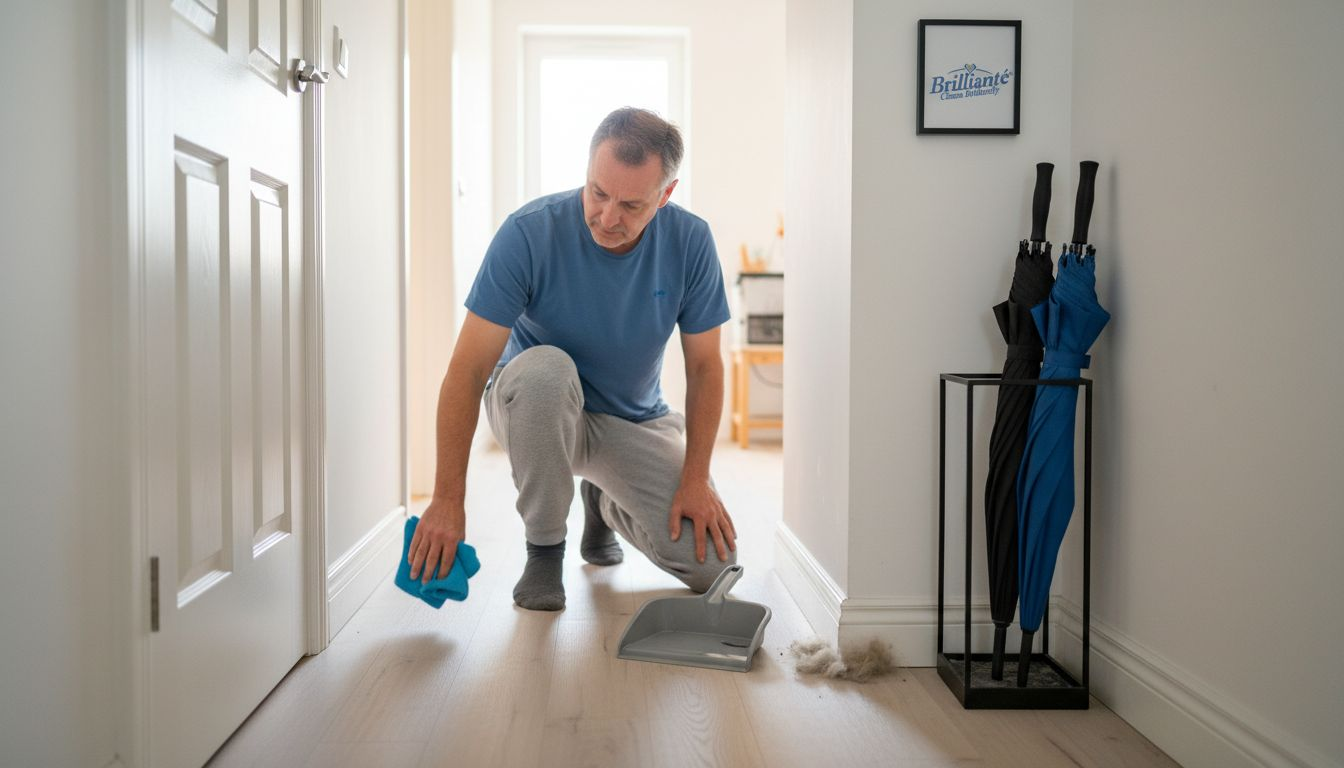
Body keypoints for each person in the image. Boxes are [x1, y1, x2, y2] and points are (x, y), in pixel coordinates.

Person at [406, 107, 738, 611]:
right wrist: (446, 499)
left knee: (714, 566)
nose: (607, 217)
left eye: (631, 205)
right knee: (547, 370)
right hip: (535, 408)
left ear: (665, 195)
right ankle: (544, 551)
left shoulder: (690, 242)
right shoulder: (528, 233)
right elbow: (468, 369)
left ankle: (603, 501)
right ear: (587, 170)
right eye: (598, 192)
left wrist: (695, 478)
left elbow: (705, 367)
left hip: (632, 420)